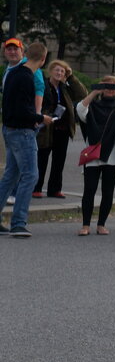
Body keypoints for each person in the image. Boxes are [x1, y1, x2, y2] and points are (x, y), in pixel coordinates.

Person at [0, 41, 52, 237]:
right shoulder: (27, 77)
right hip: (23, 131)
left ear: (26, 54)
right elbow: (24, 110)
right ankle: (19, 222)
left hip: (9, 128)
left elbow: (10, 104)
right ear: (44, 59)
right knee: (30, 175)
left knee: (10, 175)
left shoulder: (13, 72)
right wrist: (41, 118)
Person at [75, 75, 115, 235]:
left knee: (108, 191)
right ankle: (85, 225)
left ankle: (101, 224)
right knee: (89, 189)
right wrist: (94, 92)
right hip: (94, 151)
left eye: (113, 86)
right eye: (106, 86)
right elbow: (80, 110)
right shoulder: (92, 105)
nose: (109, 89)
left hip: (113, 153)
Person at [34, 59, 87, 199]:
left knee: (59, 160)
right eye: (57, 70)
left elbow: (83, 95)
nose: (59, 73)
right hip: (46, 128)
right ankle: (36, 187)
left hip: (62, 129)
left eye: (62, 71)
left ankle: (55, 189)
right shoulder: (43, 84)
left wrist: (71, 77)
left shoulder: (65, 87)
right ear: (51, 71)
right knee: (42, 158)